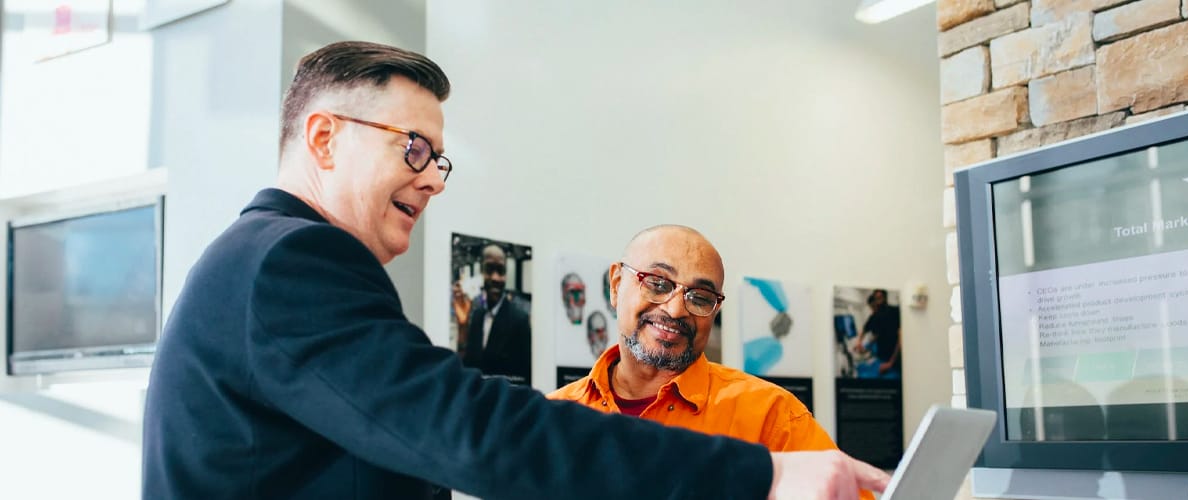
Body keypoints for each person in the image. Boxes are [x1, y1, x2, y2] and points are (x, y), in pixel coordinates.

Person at [141, 40, 889, 500]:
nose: (433, 178)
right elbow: (466, 430)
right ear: (325, 138)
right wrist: (761, 476)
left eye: (440, 160)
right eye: (414, 149)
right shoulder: (290, 260)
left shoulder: (265, 260)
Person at [549, 225, 872, 500]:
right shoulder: (551, 420)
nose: (676, 310)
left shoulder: (771, 417)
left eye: (700, 297)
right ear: (617, 284)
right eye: (658, 283)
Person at [458, 244, 532, 384]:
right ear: (481, 271)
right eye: (489, 269)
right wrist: (462, 326)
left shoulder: (519, 320)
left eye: (501, 271)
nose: (495, 278)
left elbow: (525, 378)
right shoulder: (477, 316)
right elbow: (468, 366)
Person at [857, 289, 901, 379]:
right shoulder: (874, 316)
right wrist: (859, 342)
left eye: (880, 298)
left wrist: (891, 363)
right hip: (882, 358)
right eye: (876, 299)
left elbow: (901, 338)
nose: (877, 303)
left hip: (895, 359)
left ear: (885, 298)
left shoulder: (895, 311)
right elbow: (866, 329)